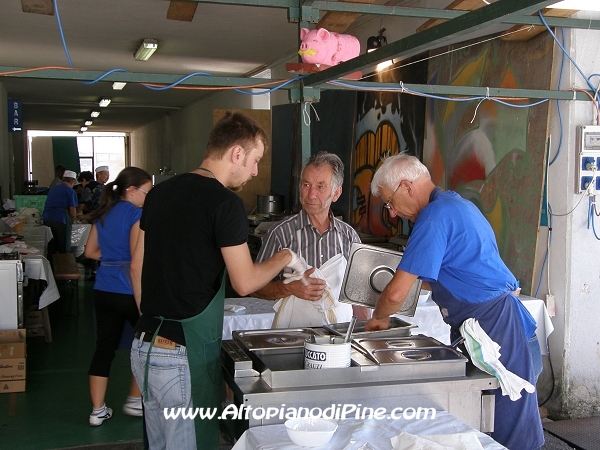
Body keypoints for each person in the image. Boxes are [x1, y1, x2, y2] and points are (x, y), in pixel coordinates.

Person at [130, 111, 307, 450]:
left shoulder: (158, 195)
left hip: (144, 345)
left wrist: (153, 319)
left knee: (159, 444)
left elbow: (136, 266)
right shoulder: (225, 204)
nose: (255, 171)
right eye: (255, 160)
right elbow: (245, 282)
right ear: (236, 153)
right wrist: (285, 256)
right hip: (182, 353)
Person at [365, 154, 544, 450]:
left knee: (509, 434)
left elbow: (396, 293)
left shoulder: (434, 218)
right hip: (495, 325)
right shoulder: (456, 205)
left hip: (497, 333)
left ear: (407, 186)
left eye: (389, 203)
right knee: (489, 427)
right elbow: (440, 273)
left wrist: (379, 319)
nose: (393, 213)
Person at [253, 151, 370, 327]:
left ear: (336, 193)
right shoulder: (280, 234)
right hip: (293, 337)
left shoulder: (349, 237)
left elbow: (358, 297)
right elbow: (254, 287)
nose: (311, 194)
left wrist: (364, 332)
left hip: (338, 338)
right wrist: (289, 288)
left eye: (321, 186)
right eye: (306, 184)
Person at [83, 167, 152, 426]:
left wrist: (112, 260)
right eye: (147, 191)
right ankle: (135, 400)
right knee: (145, 346)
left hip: (103, 290)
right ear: (132, 190)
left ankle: (97, 410)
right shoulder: (138, 215)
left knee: (104, 349)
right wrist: (142, 302)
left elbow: (90, 252)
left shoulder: (103, 214)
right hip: (129, 291)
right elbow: (137, 262)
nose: (149, 197)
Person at [42, 169, 78, 254]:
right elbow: (73, 211)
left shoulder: (53, 189)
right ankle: (63, 263)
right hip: (61, 219)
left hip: (47, 218)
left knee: (51, 244)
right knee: (63, 246)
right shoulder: (70, 191)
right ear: (73, 181)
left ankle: (51, 265)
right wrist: (73, 220)